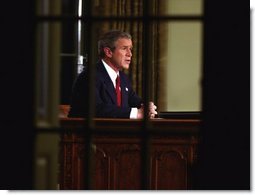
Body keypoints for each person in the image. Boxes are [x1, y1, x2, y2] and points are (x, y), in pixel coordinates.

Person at [68, 30, 157, 119]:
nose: (130, 54)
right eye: (124, 48)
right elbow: (96, 109)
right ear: (108, 52)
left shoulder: (123, 78)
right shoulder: (89, 77)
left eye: (130, 49)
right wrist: (136, 113)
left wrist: (147, 107)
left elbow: (135, 101)